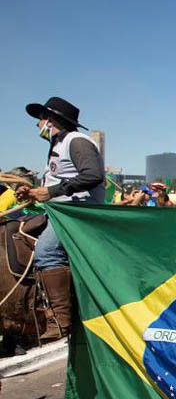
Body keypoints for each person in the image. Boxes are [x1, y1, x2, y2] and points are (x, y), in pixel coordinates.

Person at [15, 97, 105, 341]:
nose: (38, 125)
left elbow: (93, 175)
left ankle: (60, 320)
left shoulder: (76, 142)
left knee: (46, 250)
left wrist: (52, 192)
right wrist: (35, 193)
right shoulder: (58, 143)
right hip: (60, 209)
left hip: (79, 212)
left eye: (41, 119)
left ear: (52, 120)